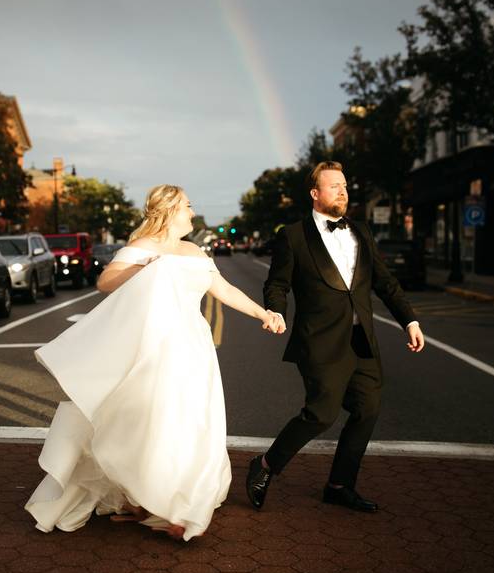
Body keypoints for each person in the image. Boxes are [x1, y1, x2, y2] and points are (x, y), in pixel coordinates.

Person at [26, 184, 284, 541]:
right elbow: (105, 282)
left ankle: (171, 500)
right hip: (155, 346)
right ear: (170, 210)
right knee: (156, 422)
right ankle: (158, 502)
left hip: (193, 346)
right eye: (188, 206)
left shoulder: (194, 251)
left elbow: (223, 290)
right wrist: (148, 268)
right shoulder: (143, 247)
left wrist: (263, 313)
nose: (193, 212)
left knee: (192, 421)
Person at [246, 161, 425, 513]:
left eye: (345, 186)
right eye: (334, 186)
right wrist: (276, 310)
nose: (343, 191)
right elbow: (278, 283)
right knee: (321, 414)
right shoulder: (294, 236)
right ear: (315, 194)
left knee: (367, 408)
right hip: (320, 342)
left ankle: (340, 485)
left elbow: (385, 282)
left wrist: (410, 321)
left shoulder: (360, 232)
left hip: (362, 341)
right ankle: (265, 465)